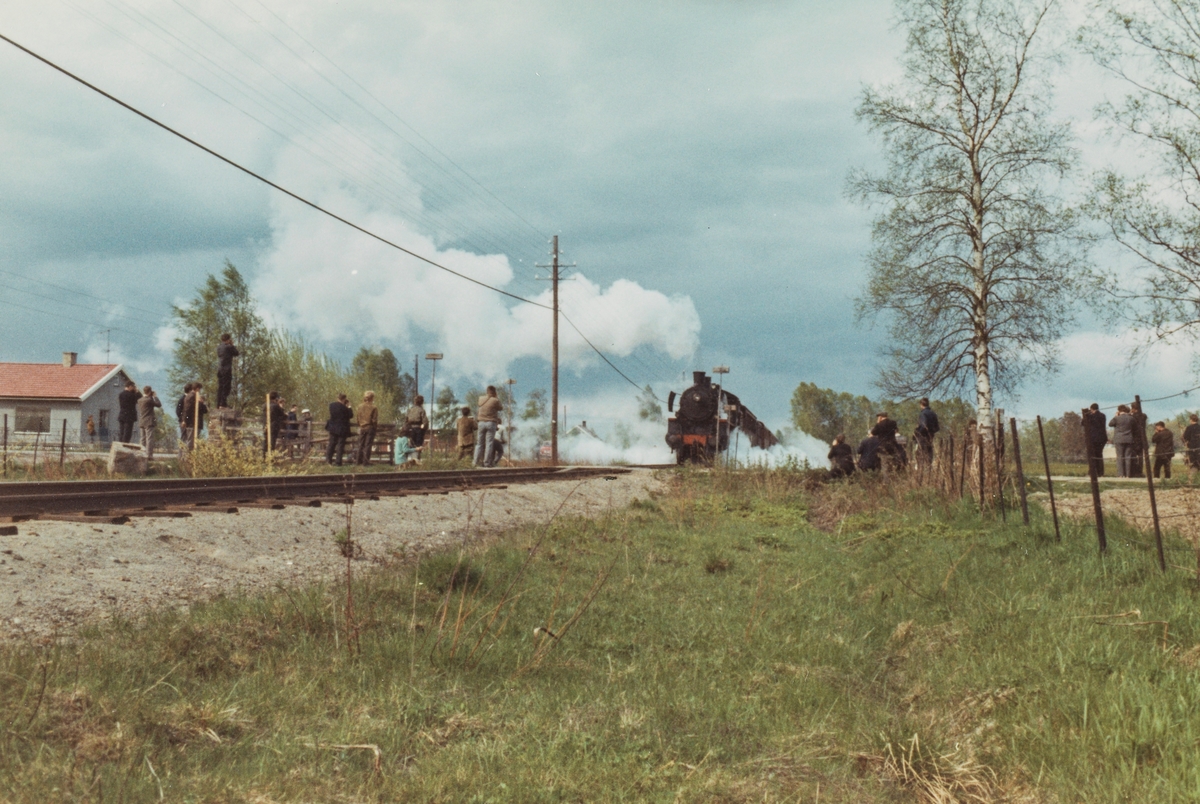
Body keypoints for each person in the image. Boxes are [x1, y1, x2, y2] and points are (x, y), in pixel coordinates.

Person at [474, 386, 503, 467]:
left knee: (479, 443)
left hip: (481, 423)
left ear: (487, 391)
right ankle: (486, 463)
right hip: (491, 423)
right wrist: (496, 397)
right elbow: (501, 408)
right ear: (494, 392)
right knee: (489, 444)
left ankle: (475, 462)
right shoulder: (495, 400)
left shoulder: (480, 398)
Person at [325, 393, 353, 466]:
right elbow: (350, 415)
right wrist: (349, 406)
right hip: (342, 428)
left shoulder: (331, 405)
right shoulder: (345, 408)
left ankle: (328, 460)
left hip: (333, 427)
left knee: (331, 444)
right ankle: (338, 462)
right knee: (340, 445)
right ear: (344, 399)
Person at [136, 386, 161, 461]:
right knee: (149, 439)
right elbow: (159, 404)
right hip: (149, 421)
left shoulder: (140, 400)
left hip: (142, 421)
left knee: (142, 439)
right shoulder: (149, 400)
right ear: (150, 392)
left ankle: (141, 454)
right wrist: (155, 396)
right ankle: (149, 455)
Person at [1110, 404, 1136, 478]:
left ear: (1119, 410)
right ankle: (1128, 474)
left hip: (1119, 439)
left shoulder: (1117, 418)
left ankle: (1121, 474)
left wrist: (1116, 416)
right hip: (1129, 438)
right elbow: (1135, 426)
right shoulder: (1131, 418)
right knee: (1128, 457)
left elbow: (1110, 424)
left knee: (1120, 457)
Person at [1083, 403, 1108, 477]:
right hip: (1102, 438)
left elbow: (1083, 423)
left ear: (1091, 409)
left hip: (1093, 438)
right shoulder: (1103, 416)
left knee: (1092, 455)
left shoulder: (1090, 416)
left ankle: (1092, 472)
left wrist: (1085, 414)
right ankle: (1100, 472)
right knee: (1099, 455)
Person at [181, 383, 208, 451]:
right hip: (193, 422)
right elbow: (188, 409)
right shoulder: (194, 396)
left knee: (190, 440)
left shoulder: (189, 396)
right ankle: (188, 458)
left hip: (190, 422)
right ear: (197, 389)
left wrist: (184, 420)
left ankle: (188, 457)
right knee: (191, 441)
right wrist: (201, 403)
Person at [355, 391, 378, 466]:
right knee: (368, 445)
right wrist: (375, 428)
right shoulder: (374, 407)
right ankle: (365, 462)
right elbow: (374, 420)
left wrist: (360, 425)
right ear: (372, 398)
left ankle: (358, 462)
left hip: (362, 427)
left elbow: (357, 418)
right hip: (370, 427)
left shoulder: (360, 406)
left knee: (360, 445)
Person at [914, 398, 939, 467]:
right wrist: (931, 432)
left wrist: (917, 433)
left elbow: (923, 425)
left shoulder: (923, 413)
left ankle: (921, 473)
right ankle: (928, 473)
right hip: (930, 438)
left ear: (921, 404)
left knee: (920, 456)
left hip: (922, 438)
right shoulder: (933, 414)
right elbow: (937, 428)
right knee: (929, 456)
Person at [216, 334, 239, 409]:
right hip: (227, 369)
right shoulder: (229, 347)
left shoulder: (219, 347)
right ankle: (223, 403)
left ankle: (219, 403)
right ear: (228, 339)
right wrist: (232, 345)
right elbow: (236, 353)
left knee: (220, 387)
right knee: (226, 387)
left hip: (220, 369)